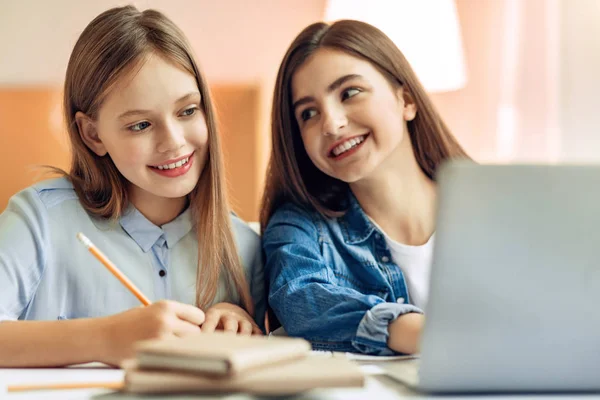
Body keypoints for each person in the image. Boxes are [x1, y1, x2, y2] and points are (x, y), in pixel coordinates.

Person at [0, 5, 265, 367]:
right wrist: (106, 339)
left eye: (187, 111)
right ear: (93, 135)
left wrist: (241, 329)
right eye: (140, 125)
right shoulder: (39, 220)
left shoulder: (244, 249)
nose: (173, 142)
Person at [261, 20, 469, 355]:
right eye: (309, 113)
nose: (331, 123)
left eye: (349, 93)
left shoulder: (494, 206)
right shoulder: (296, 228)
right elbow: (300, 298)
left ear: (407, 100)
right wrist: (422, 332)